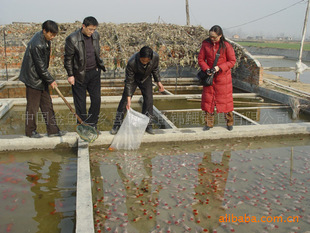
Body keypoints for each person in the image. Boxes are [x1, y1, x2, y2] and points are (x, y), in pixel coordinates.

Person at [19, 20, 66, 138]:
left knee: (47, 105)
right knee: (32, 107)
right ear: (44, 31)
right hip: (33, 78)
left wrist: (47, 79)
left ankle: (53, 130)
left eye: (54, 35)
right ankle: (30, 131)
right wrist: (51, 80)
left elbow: (43, 66)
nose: (53, 37)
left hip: (41, 78)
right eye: (51, 34)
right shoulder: (37, 44)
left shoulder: (45, 39)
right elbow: (40, 67)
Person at [110, 46, 164, 135]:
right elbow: (129, 82)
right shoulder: (132, 62)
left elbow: (155, 69)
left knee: (149, 100)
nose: (145, 63)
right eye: (143, 60)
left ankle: (148, 125)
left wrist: (158, 82)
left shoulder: (155, 57)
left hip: (146, 78)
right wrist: (128, 99)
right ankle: (116, 125)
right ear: (139, 56)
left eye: (147, 61)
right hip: (133, 79)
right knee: (124, 102)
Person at [64, 16, 106, 131]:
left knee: (96, 100)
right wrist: (70, 75)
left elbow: (96, 52)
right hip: (79, 75)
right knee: (80, 103)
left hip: (94, 73)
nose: (92, 32)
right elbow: (68, 59)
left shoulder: (96, 36)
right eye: (90, 29)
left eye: (94, 30)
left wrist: (98, 66)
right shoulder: (72, 39)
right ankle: (83, 126)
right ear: (83, 26)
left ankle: (92, 125)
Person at [198, 25, 236, 131]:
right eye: (210, 36)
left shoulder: (226, 46)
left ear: (220, 36)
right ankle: (208, 124)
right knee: (208, 102)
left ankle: (229, 123)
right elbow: (200, 59)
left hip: (223, 79)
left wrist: (219, 68)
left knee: (226, 102)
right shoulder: (205, 44)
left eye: (214, 37)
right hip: (210, 78)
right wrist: (207, 69)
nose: (212, 39)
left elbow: (232, 61)